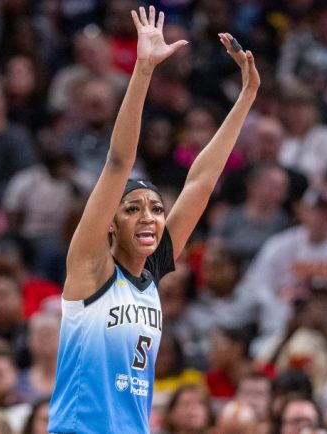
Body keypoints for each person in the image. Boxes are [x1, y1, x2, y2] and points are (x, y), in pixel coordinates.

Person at [47, 5, 260, 434]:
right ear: (111, 222)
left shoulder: (153, 270)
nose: (150, 217)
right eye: (133, 208)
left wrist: (247, 96)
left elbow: (200, 182)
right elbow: (118, 162)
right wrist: (144, 69)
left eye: (157, 209)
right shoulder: (90, 267)